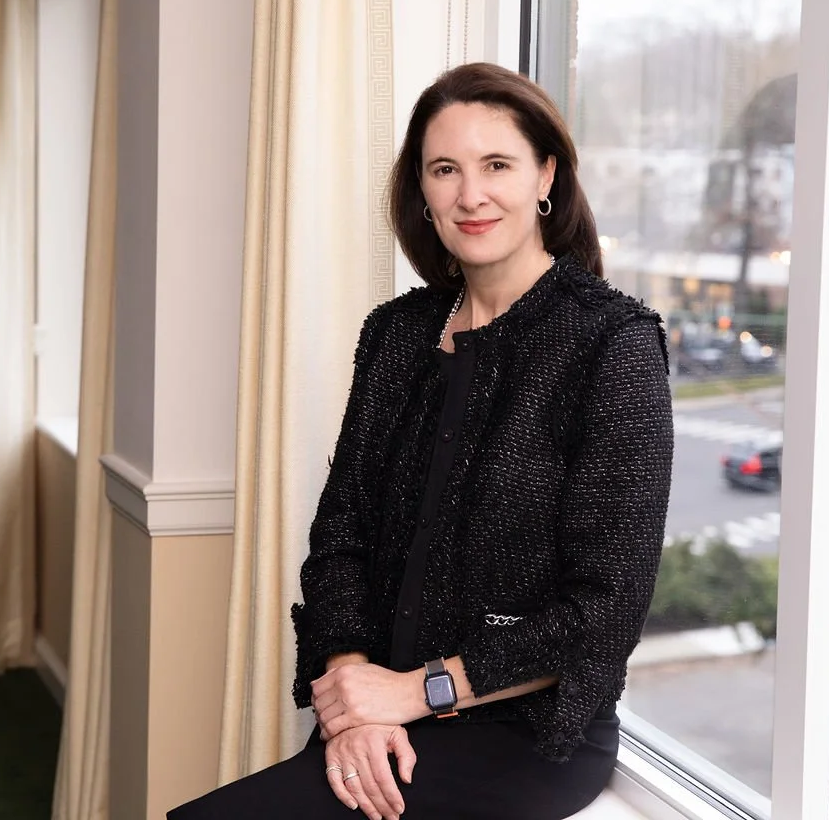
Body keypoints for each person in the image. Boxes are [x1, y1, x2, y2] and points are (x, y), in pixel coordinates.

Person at [167, 62, 674, 820]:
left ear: (546, 176)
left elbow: (605, 611)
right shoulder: (396, 334)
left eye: (496, 165)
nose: (471, 195)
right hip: (379, 713)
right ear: (423, 191)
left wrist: (414, 692)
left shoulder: (613, 343)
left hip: (519, 735)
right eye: (445, 170)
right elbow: (339, 538)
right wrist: (353, 691)